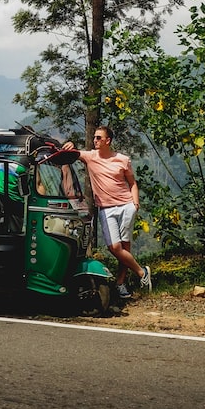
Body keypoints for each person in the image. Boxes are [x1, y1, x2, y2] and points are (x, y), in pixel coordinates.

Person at [62, 126, 151, 301]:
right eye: (94, 138)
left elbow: (132, 183)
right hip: (106, 208)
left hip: (126, 205)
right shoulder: (90, 157)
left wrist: (135, 203)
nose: (94, 140)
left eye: (98, 138)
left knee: (124, 247)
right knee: (114, 247)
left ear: (107, 141)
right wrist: (70, 145)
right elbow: (73, 153)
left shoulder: (122, 160)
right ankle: (142, 272)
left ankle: (120, 284)